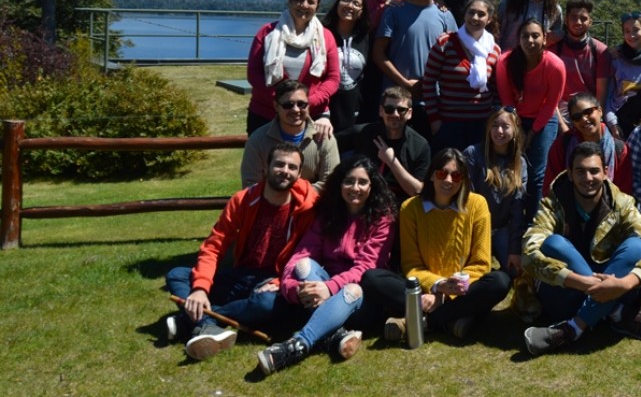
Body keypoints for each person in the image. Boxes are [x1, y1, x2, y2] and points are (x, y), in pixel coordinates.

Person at [165, 143, 318, 361]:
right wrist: (200, 289)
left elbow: (308, 254)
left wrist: (278, 281)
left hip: (276, 282)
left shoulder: (309, 208)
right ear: (266, 167)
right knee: (177, 274)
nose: (285, 170)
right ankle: (206, 323)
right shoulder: (243, 200)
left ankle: (194, 320)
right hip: (242, 275)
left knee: (266, 305)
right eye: (279, 164)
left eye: (292, 167)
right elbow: (214, 246)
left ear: (299, 173)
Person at [521, 142, 641, 356]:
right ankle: (617, 313)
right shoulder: (552, 204)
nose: (588, 178)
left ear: (606, 173)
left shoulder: (623, 204)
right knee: (554, 243)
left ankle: (573, 328)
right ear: (570, 174)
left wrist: (623, 284)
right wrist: (583, 282)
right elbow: (528, 252)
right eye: (580, 171)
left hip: (613, 284)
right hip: (565, 294)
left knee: (638, 245)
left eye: (594, 171)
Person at [257, 157, 396, 374]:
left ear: (372, 186)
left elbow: (365, 268)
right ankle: (334, 334)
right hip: (324, 289)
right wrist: (294, 290)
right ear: (339, 183)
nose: (355, 188)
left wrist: (329, 288)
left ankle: (298, 344)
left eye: (362, 182)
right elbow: (300, 255)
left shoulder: (382, 219)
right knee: (303, 265)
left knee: (352, 290)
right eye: (349, 181)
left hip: (363, 297)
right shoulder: (328, 215)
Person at [360, 149, 511, 341]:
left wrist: (446, 294)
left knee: (500, 281)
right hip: (424, 289)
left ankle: (421, 321)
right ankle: (452, 318)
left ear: (463, 180)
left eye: (456, 176)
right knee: (372, 278)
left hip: (461, 288)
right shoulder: (410, 208)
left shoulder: (477, 205)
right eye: (442, 173)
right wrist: (437, 286)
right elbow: (411, 265)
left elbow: (481, 264)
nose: (448, 180)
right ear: (432, 175)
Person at [372, 0, 458, 138]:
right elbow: (378, 54)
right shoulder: (394, 10)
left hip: (434, 104)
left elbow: (454, 58)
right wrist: (405, 84)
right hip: (396, 102)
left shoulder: (445, 16)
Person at [246, 0, 339, 136]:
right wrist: (282, 101)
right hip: (266, 114)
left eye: (310, 2)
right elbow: (253, 74)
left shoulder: (326, 37)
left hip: (311, 115)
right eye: (299, 0)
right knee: (265, 160)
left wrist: (309, 101)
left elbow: (333, 78)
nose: (304, 5)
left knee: (308, 160)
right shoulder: (267, 32)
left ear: (317, 6)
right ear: (290, 2)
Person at [496, 18, 567, 216]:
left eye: (535, 35)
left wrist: (532, 133)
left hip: (543, 119)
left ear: (545, 38)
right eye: (525, 36)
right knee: (512, 169)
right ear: (518, 39)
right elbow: (507, 101)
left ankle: (533, 222)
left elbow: (551, 104)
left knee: (537, 174)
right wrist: (518, 130)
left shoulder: (555, 66)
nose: (530, 40)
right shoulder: (505, 62)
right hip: (514, 118)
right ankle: (511, 218)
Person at [422, 0, 500, 152]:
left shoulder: (494, 50)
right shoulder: (445, 43)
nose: (475, 17)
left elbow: (496, 88)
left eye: (481, 14)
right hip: (449, 124)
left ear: (489, 19)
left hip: (482, 125)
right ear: (465, 15)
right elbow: (428, 82)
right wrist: (434, 120)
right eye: (471, 12)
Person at [464, 107, 528, 277]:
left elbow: (517, 210)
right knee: (470, 274)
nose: (499, 131)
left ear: (515, 130)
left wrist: (515, 250)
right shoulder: (473, 154)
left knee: (516, 272)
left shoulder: (519, 163)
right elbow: (466, 200)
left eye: (505, 126)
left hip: (501, 229)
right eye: (495, 125)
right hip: (474, 228)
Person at [242, 79, 340, 189]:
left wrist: (294, 196)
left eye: (301, 104)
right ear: (276, 106)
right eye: (288, 105)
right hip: (270, 205)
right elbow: (250, 183)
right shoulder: (258, 140)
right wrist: (281, 198)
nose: (296, 110)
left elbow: (331, 183)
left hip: (313, 205)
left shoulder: (324, 138)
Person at [351, 86, 431, 205]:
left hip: (402, 207)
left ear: (409, 113)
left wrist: (391, 161)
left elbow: (417, 191)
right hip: (365, 203)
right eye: (389, 109)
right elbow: (332, 141)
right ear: (381, 111)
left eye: (401, 110)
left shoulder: (420, 145)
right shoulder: (364, 133)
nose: (395, 114)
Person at [543, 92, 631, 196]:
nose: (584, 119)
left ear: (600, 111)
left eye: (588, 112)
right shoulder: (563, 145)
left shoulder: (619, 149)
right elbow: (551, 187)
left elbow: (624, 192)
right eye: (577, 117)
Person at [357, 0, 410, 124]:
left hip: (391, 58)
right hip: (363, 54)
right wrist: (386, 9)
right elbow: (357, 24)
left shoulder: (406, 0)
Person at [320, 0, 372, 151]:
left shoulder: (366, 38)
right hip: (326, 113)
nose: (350, 5)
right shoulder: (321, 33)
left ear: (361, 11)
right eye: (346, 0)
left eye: (356, 3)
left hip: (356, 114)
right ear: (337, 4)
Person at [605, 11, 641, 138]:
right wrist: (613, 125)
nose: (631, 35)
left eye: (636, 30)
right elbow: (608, 98)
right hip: (619, 121)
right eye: (627, 31)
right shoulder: (616, 59)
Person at [553, 0, 612, 124]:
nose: (578, 22)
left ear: (590, 22)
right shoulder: (554, 48)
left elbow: (601, 95)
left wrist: (597, 119)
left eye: (583, 18)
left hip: (588, 109)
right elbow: (548, 92)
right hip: (558, 110)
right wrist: (562, 125)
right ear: (566, 20)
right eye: (573, 17)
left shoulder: (600, 51)